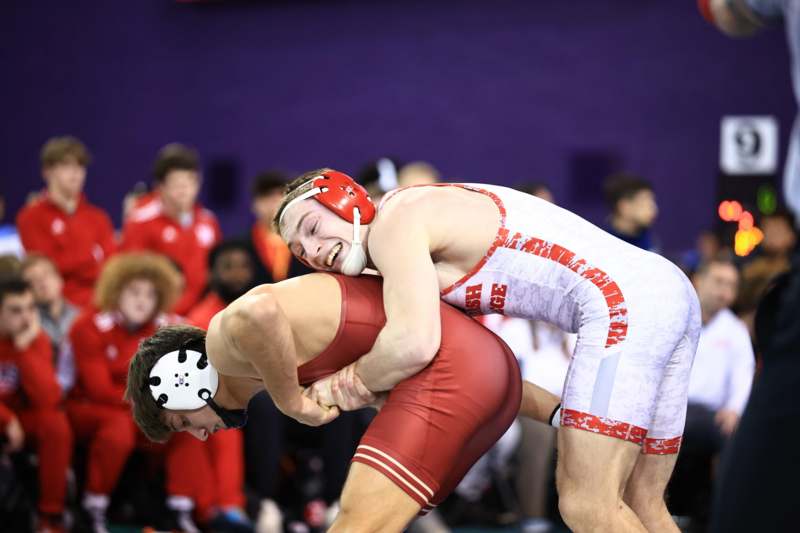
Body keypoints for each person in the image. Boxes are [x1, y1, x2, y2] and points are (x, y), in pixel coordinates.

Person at [277, 169, 701, 533]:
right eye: (299, 250)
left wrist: (347, 384)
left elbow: (412, 345)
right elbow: (490, 367)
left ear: (348, 201)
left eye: (312, 229)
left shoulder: (394, 223)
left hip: (623, 306)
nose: (312, 251)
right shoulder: (415, 247)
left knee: (588, 504)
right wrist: (560, 413)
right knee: (643, 503)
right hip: (666, 290)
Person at [125, 272, 560, 533]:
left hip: (457, 375)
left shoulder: (223, 345)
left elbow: (257, 313)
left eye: (182, 422)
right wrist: (565, 414)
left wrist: (292, 403)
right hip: (488, 373)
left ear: (181, 380)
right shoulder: (280, 361)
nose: (201, 435)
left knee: (355, 522)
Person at [66, 253, 207, 532]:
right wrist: (156, 405)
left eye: (150, 294)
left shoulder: (168, 328)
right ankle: (94, 506)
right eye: (134, 292)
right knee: (118, 428)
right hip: (91, 407)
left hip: (142, 408)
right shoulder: (88, 326)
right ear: (116, 291)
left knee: (189, 422)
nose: (142, 301)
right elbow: (99, 389)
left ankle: (179, 510)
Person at [0, 278, 72, 533]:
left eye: (31, 308)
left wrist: (24, 351)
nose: (27, 318)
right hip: (7, 418)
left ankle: (50, 516)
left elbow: (49, 398)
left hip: (22, 419)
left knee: (55, 424)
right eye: (16, 310)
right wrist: (7, 419)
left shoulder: (34, 339)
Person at [121, 143, 222, 315]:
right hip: (157, 314)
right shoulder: (140, 220)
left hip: (199, 315)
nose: (184, 190)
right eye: (177, 184)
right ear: (161, 187)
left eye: (190, 182)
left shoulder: (209, 222)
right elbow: (131, 274)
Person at [16, 136, 116, 306]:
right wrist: (90, 258)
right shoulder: (30, 217)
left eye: (80, 166)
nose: (75, 173)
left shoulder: (98, 217)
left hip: (100, 302)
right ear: (47, 172)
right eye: (66, 165)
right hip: (57, 306)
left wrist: (73, 263)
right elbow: (44, 273)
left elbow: (111, 267)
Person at [21, 254, 79, 394]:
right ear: (26, 291)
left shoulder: (81, 317)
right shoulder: (24, 324)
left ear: (59, 279)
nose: (42, 283)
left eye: (46, 275)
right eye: (33, 280)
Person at [250, 171, 309, 282]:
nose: (274, 201)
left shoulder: (308, 242)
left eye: (281, 193)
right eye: (267, 195)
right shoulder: (241, 247)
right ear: (255, 205)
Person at [602, 173, 660, 252]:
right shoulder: (602, 244)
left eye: (652, 201)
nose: (654, 209)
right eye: (645, 202)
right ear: (625, 207)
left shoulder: (651, 241)